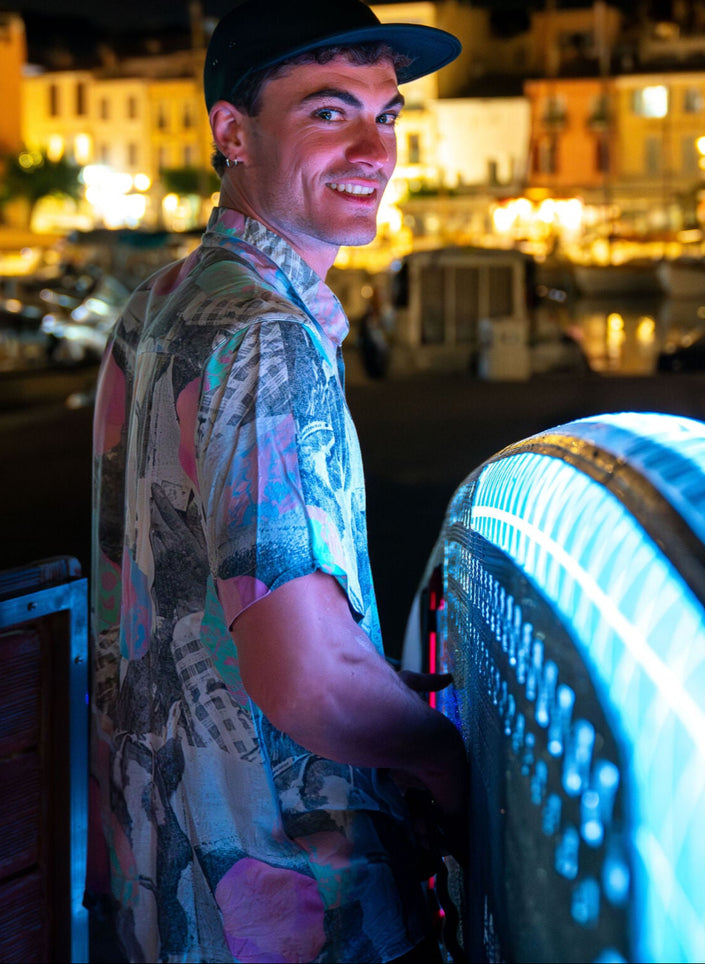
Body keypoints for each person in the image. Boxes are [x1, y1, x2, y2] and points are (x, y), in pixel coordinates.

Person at [89, 2, 466, 961]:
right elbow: (304, 677)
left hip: (158, 881)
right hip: (293, 904)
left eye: (386, 116)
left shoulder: (159, 306)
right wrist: (438, 753)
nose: (374, 149)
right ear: (231, 131)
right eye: (329, 113)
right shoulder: (263, 337)